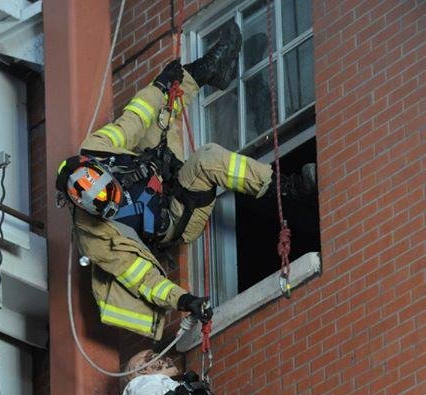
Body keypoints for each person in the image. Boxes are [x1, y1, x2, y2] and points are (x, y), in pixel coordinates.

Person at [56, 22, 316, 340]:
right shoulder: (94, 240)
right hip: (173, 221)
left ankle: (205, 71)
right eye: (105, 208)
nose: (115, 203)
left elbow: (135, 118)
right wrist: (184, 300)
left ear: (103, 171)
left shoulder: (97, 150)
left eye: (113, 193)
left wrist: (163, 85)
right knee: (207, 159)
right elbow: (144, 280)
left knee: (158, 113)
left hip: (165, 180)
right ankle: (288, 187)